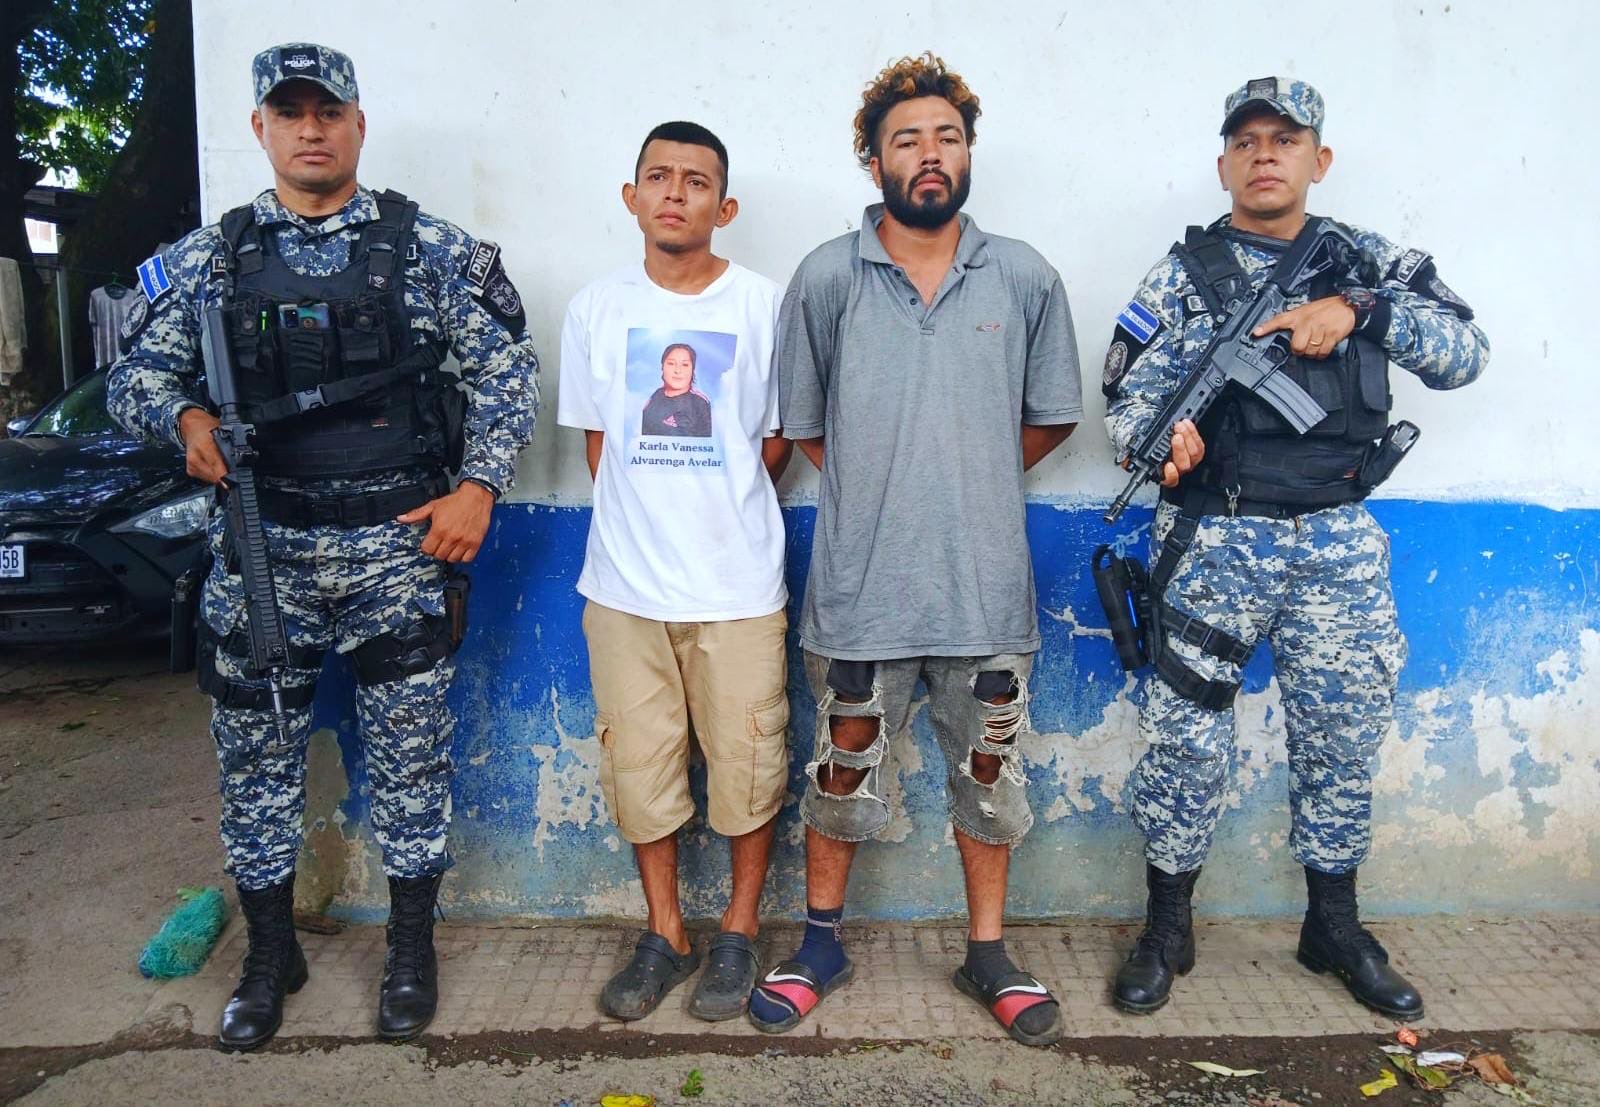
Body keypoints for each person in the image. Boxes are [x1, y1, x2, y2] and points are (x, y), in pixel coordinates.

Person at [107, 43, 538, 1049]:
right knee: (255, 764)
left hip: (398, 553)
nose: (311, 129)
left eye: (328, 111)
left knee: (411, 764)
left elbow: (506, 370)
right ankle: (270, 954)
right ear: (260, 128)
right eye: (290, 112)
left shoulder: (426, 247)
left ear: (357, 124)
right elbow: (133, 376)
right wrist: (184, 421)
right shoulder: (211, 257)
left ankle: (410, 950)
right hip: (265, 550)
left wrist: (478, 488)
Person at [1102, 77, 1489, 1021]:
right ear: (1223, 164)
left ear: (1320, 159)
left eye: (1285, 139)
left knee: (1342, 729)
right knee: (1184, 734)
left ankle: (1334, 924)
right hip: (1213, 534)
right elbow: (1127, 399)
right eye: (1247, 141)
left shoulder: (1368, 260)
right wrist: (1161, 444)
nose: (1265, 154)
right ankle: (1167, 925)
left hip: (1337, 537)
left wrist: (1361, 312)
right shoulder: (1180, 276)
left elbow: (1466, 352)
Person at [752, 53, 1082, 1047]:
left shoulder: (1023, 275)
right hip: (862, 591)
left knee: (988, 775)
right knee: (841, 766)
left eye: (947, 136)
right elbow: (809, 425)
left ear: (968, 152)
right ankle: (820, 946)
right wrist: (889, 483)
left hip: (985, 589)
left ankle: (988, 953)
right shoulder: (826, 276)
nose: (929, 154)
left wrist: (964, 474)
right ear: (874, 160)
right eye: (907, 140)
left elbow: (1049, 417)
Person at [558, 121, 791, 1023]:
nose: (675, 193)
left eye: (696, 181)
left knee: (748, 765)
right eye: (658, 176)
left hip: (738, 587)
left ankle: (737, 929)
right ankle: (666, 932)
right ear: (631, 196)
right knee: (639, 768)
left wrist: (716, 509)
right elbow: (600, 445)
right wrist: (650, 521)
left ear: (723, 208)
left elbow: (776, 441)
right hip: (624, 589)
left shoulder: (763, 306)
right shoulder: (596, 308)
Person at [641, 342, 713, 437]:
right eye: (671, 363)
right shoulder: (655, 396)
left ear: (693, 369)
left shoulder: (700, 403)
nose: (678, 371)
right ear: (662, 366)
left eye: (685, 365)